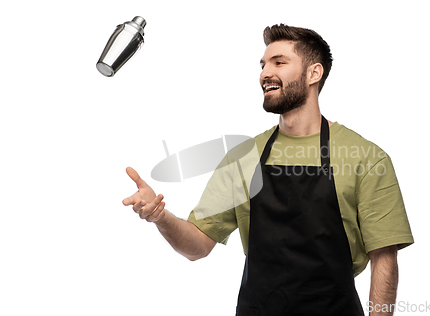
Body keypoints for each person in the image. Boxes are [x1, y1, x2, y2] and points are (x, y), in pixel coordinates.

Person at [123, 24, 413, 315]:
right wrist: (160, 217)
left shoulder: (366, 157)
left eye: (279, 62)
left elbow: (384, 260)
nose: (265, 73)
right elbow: (197, 245)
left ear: (314, 73)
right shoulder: (244, 158)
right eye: (263, 65)